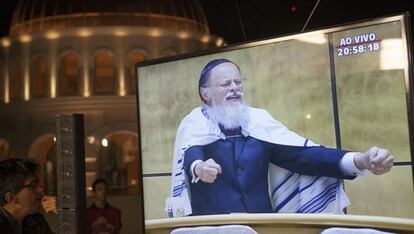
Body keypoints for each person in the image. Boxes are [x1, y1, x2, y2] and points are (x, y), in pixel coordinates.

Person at [166, 58, 394, 216]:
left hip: (262, 227)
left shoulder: (259, 124)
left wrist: (360, 160)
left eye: (238, 82)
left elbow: (305, 156)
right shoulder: (195, 124)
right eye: (225, 84)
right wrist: (198, 167)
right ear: (205, 94)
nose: (234, 88)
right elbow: (190, 153)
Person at [0, 158, 55, 234]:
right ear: (11, 198)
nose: (41, 189)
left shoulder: (36, 221)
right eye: (33, 185)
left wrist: (66, 212)